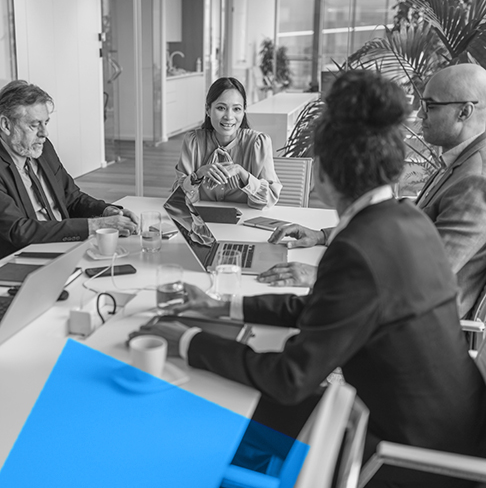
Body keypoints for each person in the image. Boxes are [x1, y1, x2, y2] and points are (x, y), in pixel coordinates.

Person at [131, 70, 486, 488]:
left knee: (205, 412)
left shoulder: (357, 248)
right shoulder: (405, 219)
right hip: (451, 423)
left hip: (410, 456)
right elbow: (325, 310)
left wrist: (186, 341)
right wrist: (220, 306)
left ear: (323, 177)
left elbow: (290, 377)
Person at [259, 64, 486, 321]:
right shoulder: (461, 160)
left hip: (413, 320)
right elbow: (400, 222)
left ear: (464, 112)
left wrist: (323, 275)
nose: (420, 114)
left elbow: (427, 274)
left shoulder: (476, 179)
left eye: (430, 106)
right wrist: (322, 235)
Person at [0, 80, 138, 258]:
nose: (44, 133)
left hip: (66, 246)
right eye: (34, 125)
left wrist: (107, 211)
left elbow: (71, 197)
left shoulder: (42, 148)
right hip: (23, 257)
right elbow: (19, 230)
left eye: (46, 123)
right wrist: (97, 226)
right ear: (5, 125)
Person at [173, 77, 281, 209]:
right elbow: (178, 198)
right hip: (202, 223)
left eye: (236, 109)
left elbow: (269, 199)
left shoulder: (258, 143)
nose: (229, 117)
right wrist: (198, 175)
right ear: (208, 110)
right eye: (221, 108)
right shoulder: (193, 142)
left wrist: (242, 173)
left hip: (244, 225)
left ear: (244, 110)